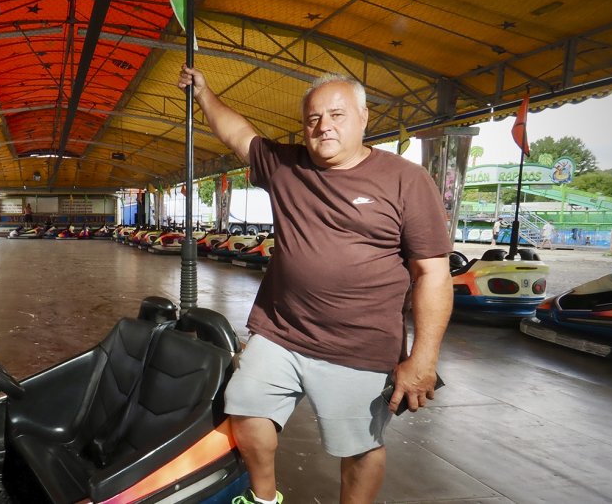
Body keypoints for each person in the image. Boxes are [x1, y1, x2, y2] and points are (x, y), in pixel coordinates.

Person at [178, 66, 452, 504]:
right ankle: (264, 498)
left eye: (337, 114)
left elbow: (433, 273)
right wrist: (204, 92)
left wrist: (423, 357)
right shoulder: (287, 165)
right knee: (244, 405)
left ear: (364, 118)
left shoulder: (405, 179)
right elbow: (237, 133)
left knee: (358, 447)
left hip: (359, 344)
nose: (324, 126)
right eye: (313, 118)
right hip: (281, 331)